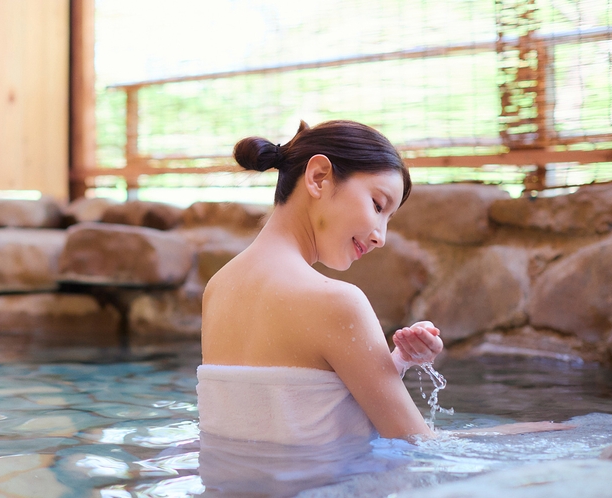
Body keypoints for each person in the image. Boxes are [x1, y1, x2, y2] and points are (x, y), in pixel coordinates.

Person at [196, 120, 568, 445]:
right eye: (377, 205)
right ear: (318, 177)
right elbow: (417, 443)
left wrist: (398, 362)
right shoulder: (337, 301)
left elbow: (282, 418)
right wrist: (534, 432)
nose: (380, 237)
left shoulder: (218, 287)